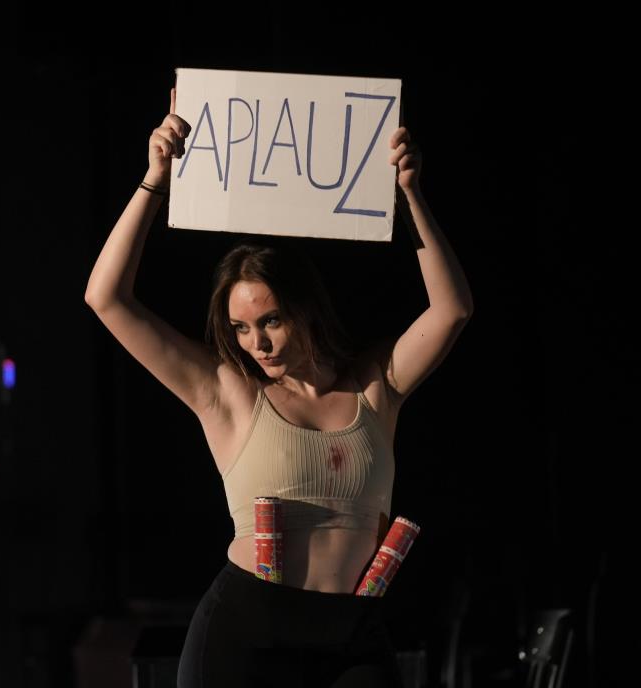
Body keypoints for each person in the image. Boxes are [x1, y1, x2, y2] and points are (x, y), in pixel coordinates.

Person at [85, 86, 474, 688]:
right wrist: (153, 181)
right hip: (246, 633)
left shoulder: (376, 387)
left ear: (307, 310)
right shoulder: (227, 394)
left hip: (352, 636)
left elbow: (453, 310)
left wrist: (409, 196)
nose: (257, 343)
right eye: (240, 328)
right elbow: (106, 298)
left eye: (270, 320)